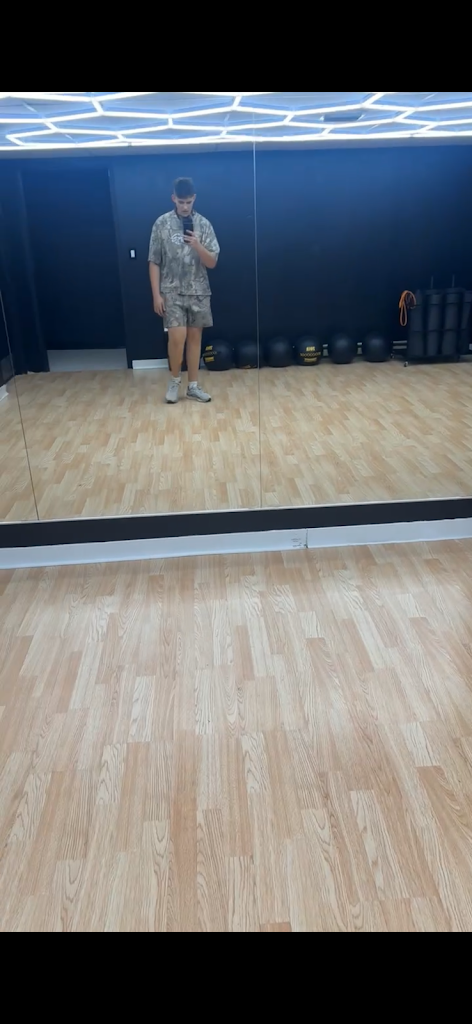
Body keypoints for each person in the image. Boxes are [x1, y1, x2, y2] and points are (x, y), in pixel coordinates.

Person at [148, 177, 220, 404]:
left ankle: (193, 386)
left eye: (189, 202)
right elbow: (154, 261)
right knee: (177, 338)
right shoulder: (161, 223)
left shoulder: (204, 225)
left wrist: (197, 245)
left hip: (198, 291)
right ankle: (174, 381)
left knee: (195, 339)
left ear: (194, 199)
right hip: (171, 291)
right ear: (174, 199)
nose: (185, 206)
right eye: (181, 202)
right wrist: (156, 295)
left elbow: (212, 262)